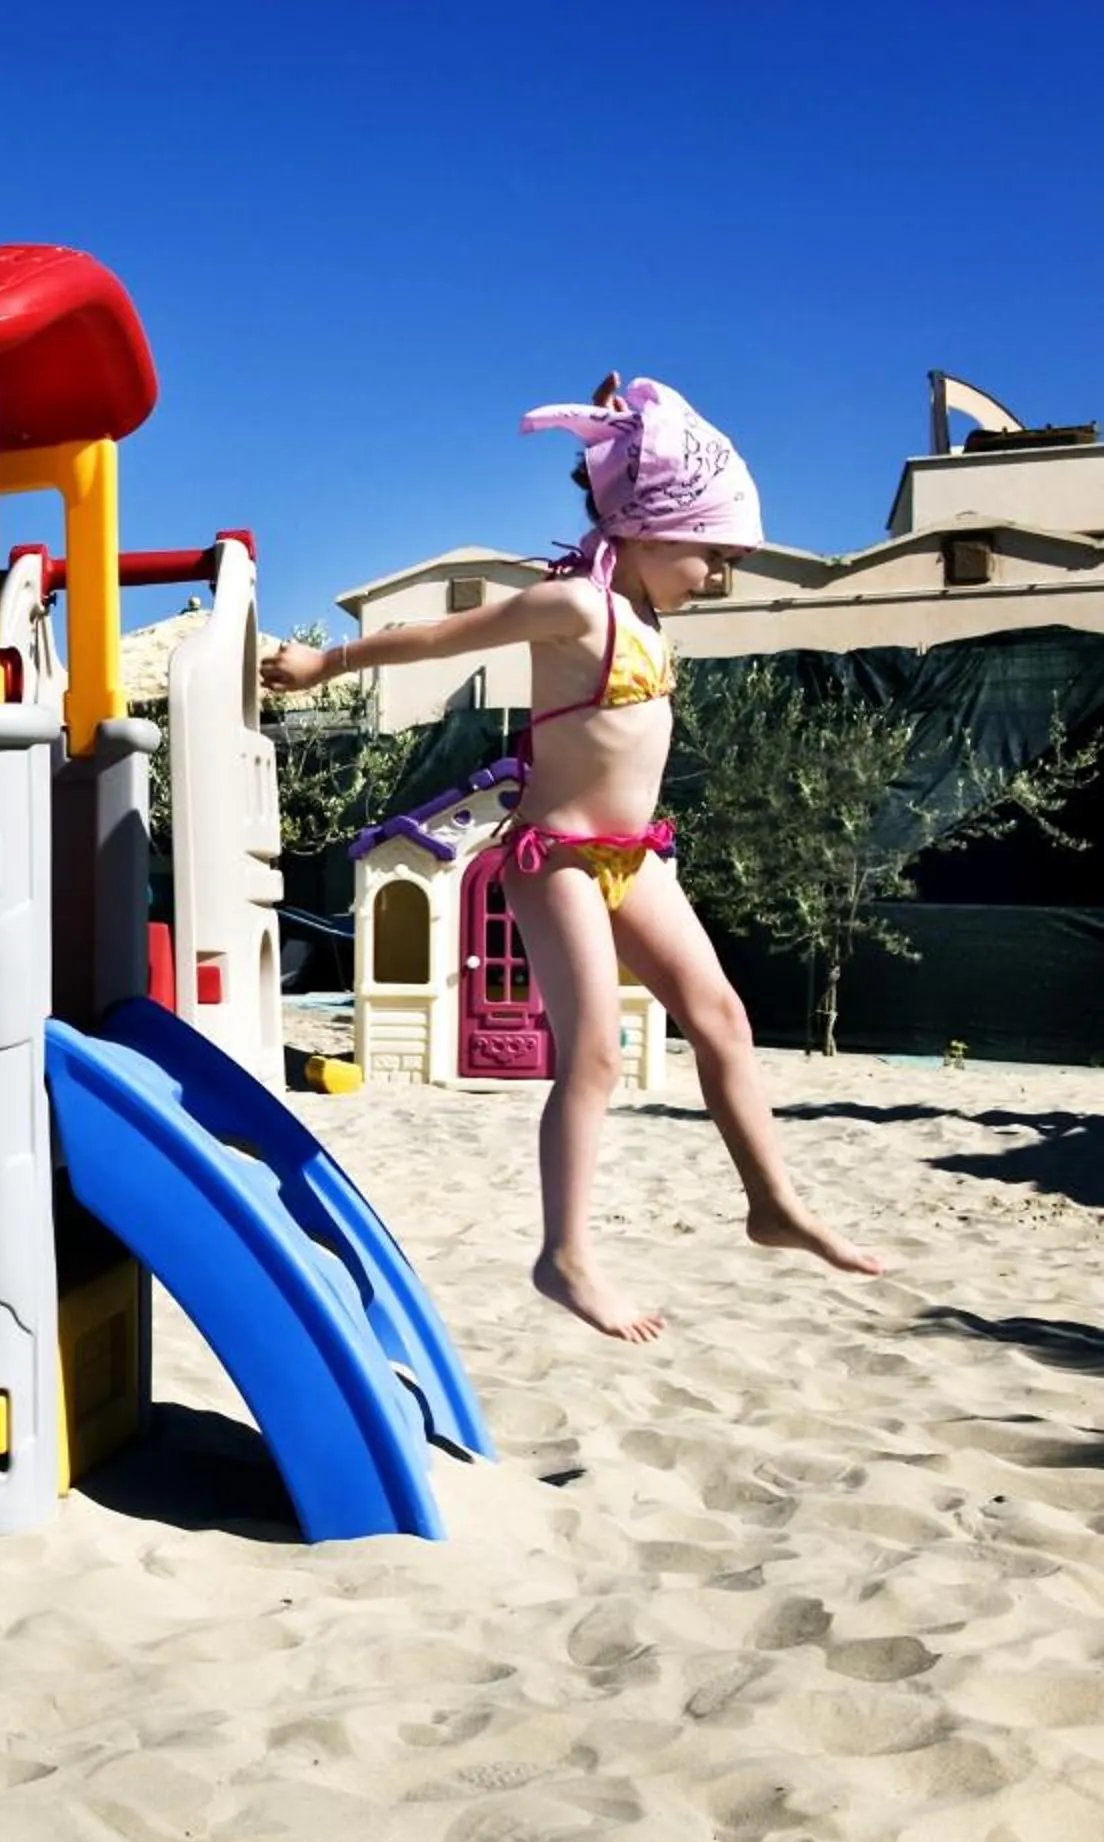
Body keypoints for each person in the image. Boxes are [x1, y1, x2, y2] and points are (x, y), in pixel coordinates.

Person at [262, 375, 881, 1342]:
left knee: (722, 1016)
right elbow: (436, 633)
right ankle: (566, 1255)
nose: (718, 576)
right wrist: (322, 665)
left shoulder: (648, 620)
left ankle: (773, 1203)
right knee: (590, 1048)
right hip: (553, 859)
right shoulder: (576, 610)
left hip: (635, 857)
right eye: (710, 554)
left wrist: (628, 438)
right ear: (645, 526)